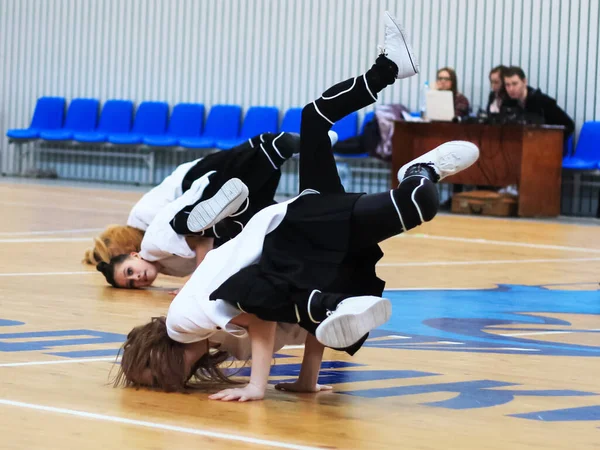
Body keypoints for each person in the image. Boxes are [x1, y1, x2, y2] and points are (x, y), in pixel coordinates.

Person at [111, 11, 479, 402]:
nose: (163, 382)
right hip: (297, 243)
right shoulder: (220, 340)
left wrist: (257, 386)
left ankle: (418, 170)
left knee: (416, 203)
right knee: (314, 119)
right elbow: (296, 327)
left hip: (294, 230)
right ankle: (389, 67)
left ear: (157, 352)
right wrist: (307, 379)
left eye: (152, 375)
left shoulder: (181, 325)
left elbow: (261, 317)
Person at [95, 132, 305, 288]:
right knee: (264, 206)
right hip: (222, 208)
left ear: (135, 255)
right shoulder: (169, 269)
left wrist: (195, 284)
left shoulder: (153, 246)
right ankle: (277, 149)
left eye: (130, 271)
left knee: (191, 223)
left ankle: (272, 148)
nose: (137, 278)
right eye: (131, 283)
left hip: (206, 193)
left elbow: (201, 240)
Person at [501, 66, 575, 140]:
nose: (511, 89)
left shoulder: (543, 101)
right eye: (507, 85)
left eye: (514, 84)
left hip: (542, 145)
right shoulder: (507, 103)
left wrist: (549, 140)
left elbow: (569, 125)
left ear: (524, 82)